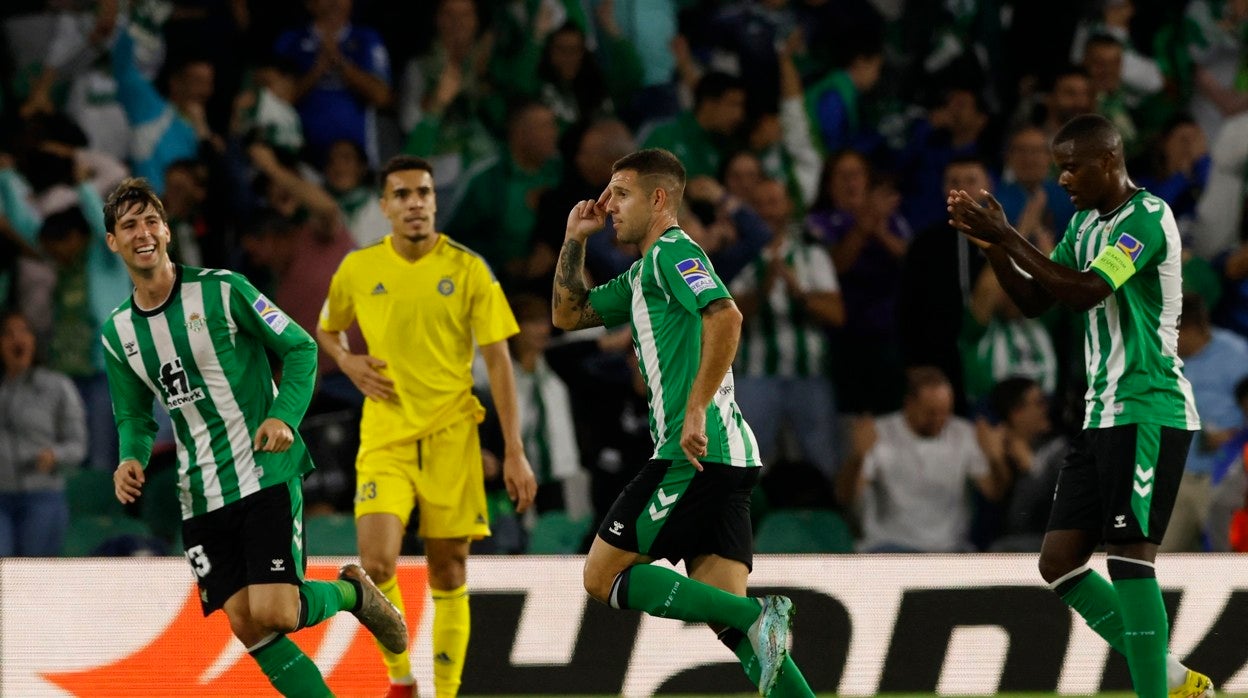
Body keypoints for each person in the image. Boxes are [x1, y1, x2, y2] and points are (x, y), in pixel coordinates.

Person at [99, 177, 406, 697]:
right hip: (199, 492)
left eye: (151, 220)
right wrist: (130, 457)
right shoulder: (117, 331)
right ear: (113, 242)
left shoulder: (222, 290)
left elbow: (302, 349)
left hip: (262, 470)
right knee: (248, 624)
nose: (142, 232)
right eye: (129, 225)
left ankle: (352, 593)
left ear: (168, 231)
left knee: (277, 610)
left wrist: (284, 415)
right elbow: (134, 415)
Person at [947, 113, 1212, 698]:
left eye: (1073, 167)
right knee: (1059, 563)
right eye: (1060, 166)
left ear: (1109, 162)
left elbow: (1088, 290)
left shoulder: (1146, 219)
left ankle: (1154, 692)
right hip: (1101, 414)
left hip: (1149, 407)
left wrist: (1011, 234)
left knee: (1129, 556)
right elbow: (1040, 298)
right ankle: (1170, 678)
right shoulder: (1085, 224)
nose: (1063, 178)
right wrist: (995, 246)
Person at [550, 147, 810, 697]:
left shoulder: (674, 253)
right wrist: (577, 238)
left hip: (693, 451)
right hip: (726, 458)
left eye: (622, 194)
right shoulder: (644, 274)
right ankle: (757, 625)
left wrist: (694, 406)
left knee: (601, 576)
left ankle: (758, 615)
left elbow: (726, 315)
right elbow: (568, 314)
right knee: (739, 630)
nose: (610, 205)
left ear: (659, 199)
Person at [316, 155, 538, 698]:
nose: (415, 202)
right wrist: (347, 362)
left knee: (449, 570)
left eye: (423, 192)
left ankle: (446, 690)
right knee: (374, 562)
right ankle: (401, 680)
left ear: (434, 201)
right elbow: (326, 330)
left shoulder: (467, 268)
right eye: (403, 194)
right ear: (385, 206)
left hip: (452, 437)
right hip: (385, 437)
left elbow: (500, 361)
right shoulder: (358, 269)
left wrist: (513, 449)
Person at [0, 309, 86, 557]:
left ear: (34, 341)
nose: (16, 339)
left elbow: (78, 446)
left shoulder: (57, 387)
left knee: (32, 581)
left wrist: (55, 454)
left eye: (23, 332)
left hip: (42, 496)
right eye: (7, 334)